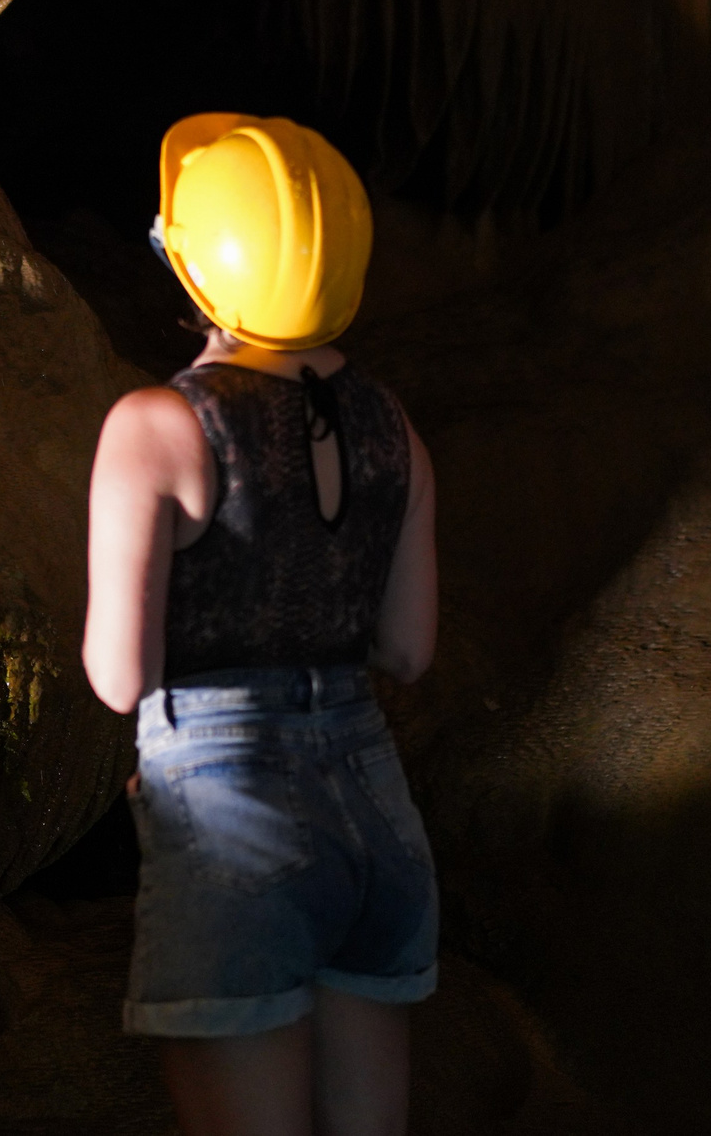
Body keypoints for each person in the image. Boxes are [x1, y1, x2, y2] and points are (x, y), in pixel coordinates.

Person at [82, 112, 440, 1136]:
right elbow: (408, 650)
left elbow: (119, 673)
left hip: (229, 813)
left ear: (192, 265)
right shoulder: (394, 428)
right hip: (375, 809)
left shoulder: (156, 426)